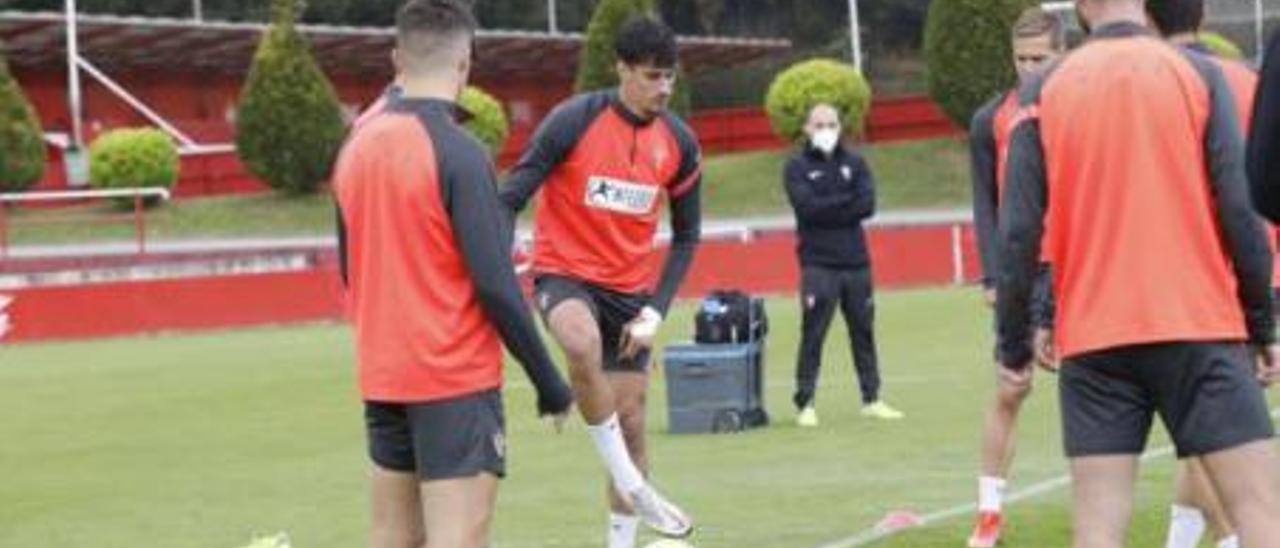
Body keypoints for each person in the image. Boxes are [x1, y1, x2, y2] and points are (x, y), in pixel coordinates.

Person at [998, 1, 1280, 546]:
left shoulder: (1044, 89)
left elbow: (1018, 232)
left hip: (1095, 335)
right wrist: (1263, 323)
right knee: (1261, 514)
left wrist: (1014, 343)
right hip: (1199, 324)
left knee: (1098, 528)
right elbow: (1239, 212)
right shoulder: (1196, 74)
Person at [331, 1, 573, 547]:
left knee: (393, 538)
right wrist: (549, 383)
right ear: (465, 64)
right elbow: (496, 286)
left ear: (397, 58)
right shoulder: (460, 153)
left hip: (384, 377)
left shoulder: (355, 148)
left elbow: (351, 267)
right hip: (454, 381)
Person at [499, 15, 700, 546]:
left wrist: (655, 311)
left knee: (632, 423)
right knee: (579, 343)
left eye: (670, 78)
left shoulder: (679, 142)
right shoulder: (572, 121)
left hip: (631, 295)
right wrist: (493, 246)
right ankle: (634, 484)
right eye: (653, 76)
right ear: (622, 70)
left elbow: (686, 237)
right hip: (563, 274)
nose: (664, 88)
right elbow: (512, 193)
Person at [1148, 2, 1263, 546]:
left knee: (1209, 428)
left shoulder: (1144, 86)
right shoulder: (1243, 81)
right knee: (1220, 426)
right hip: (1254, 264)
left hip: (1189, 275)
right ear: (1205, 15)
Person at [964, 8, 1064, 546]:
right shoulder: (990, 119)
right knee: (1010, 387)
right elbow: (985, 203)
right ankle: (988, 516)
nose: (1029, 70)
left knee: (1107, 387)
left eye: (1040, 59)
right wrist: (991, 276)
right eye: (1021, 59)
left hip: (1078, 268)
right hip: (1022, 272)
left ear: (1062, 55)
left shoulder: (1080, 106)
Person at [783, 102, 904, 428]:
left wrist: (833, 206)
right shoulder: (796, 166)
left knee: (863, 331)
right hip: (818, 264)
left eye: (831, 124)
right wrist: (843, 204)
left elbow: (867, 205)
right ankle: (805, 403)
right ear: (807, 128)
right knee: (814, 333)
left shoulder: (855, 162)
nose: (826, 131)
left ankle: (872, 399)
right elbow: (807, 208)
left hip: (856, 263)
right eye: (819, 124)